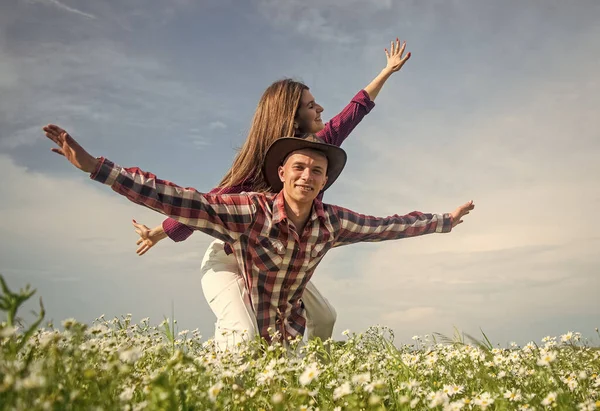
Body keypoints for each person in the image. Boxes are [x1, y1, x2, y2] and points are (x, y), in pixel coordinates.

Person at [43, 125, 475, 346]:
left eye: (317, 171)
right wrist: (97, 168)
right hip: (245, 298)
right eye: (299, 168)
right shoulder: (252, 212)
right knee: (241, 344)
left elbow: (386, 227)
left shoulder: (333, 223)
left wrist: (442, 221)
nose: (308, 176)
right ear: (282, 173)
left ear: (325, 181)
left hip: (285, 329)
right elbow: (180, 200)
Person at [129, 38, 412, 345]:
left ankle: (314, 378)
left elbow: (354, 111)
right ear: (292, 115)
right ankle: (223, 381)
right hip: (234, 257)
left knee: (325, 317)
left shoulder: (319, 146)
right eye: (311, 105)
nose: (321, 109)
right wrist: (159, 231)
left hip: (278, 260)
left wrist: (386, 72)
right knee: (244, 333)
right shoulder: (255, 168)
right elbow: (204, 205)